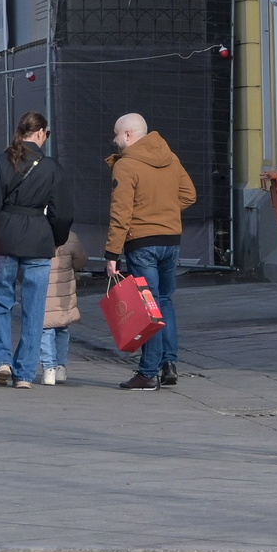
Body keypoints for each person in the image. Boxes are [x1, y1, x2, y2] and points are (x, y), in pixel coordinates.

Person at [0, 112, 70, 390]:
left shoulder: (2, 161)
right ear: (41, 133)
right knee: (34, 310)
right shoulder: (52, 168)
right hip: (38, 241)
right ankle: (25, 374)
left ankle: (1, 362)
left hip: (4, 239)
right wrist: (55, 238)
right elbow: (62, 213)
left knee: (0, 303)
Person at [106, 113, 196, 389]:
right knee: (165, 301)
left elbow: (121, 213)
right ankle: (169, 363)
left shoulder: (126, 165)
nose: (115, 140)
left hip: (142, 243)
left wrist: (112, 253)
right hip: (171, 240)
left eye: (117, 134)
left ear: (129, 135)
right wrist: (165, 212)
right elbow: (189, 195)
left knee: (149, 306)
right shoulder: (170, 156)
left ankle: (147, 372)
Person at [41, 224, 91, 386]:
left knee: (46, 328)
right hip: (64, 293)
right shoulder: (70, 237)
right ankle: (61, 367)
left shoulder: (37, 234)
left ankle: (49, 368)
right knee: (62, 328)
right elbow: (81, 261)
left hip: (43, 291)